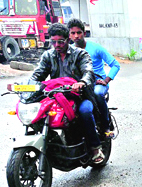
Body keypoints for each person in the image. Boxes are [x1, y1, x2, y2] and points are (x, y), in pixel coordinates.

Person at [31, 23, 103, 163]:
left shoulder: (80, 54)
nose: (56, 45)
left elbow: (88, 71)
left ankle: (95, 147)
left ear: (68, 40)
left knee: (85, 111)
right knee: (39, 113)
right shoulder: (48, 55)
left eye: (60, 41)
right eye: (53, 41)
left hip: (80, 96)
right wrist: (26, 86)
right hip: (56, 97)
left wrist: (81, 82)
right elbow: (37, 75)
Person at [67, 18, 120, 136]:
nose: (76, 36)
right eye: (73, 33)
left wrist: (106, 80)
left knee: (97, 94)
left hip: (97, 82)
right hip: (79, 83)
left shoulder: (96, 48)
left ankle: (106, 127)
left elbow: (115, 65)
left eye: (79, 32)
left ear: (84, 33)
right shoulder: (68, 51)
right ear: (69, 35)